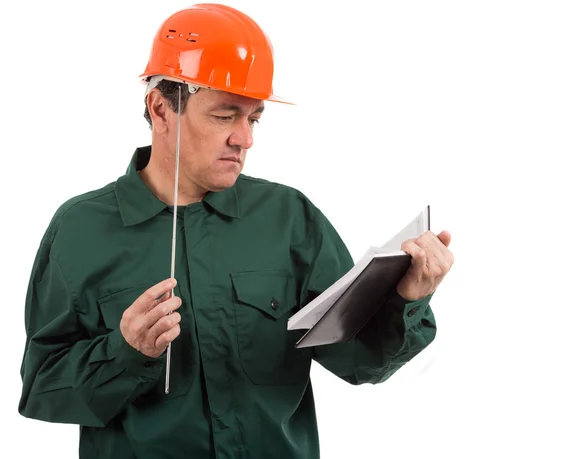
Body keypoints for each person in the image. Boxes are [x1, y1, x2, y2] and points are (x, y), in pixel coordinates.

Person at [18, 3, 453, 459]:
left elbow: (361, 363)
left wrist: (407, 299)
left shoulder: (290, 219)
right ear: (161, 108)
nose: (245, 139)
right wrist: (125, 352)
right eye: (225, 115)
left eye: (254, 118)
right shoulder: (80, 230)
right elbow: (43, 392)